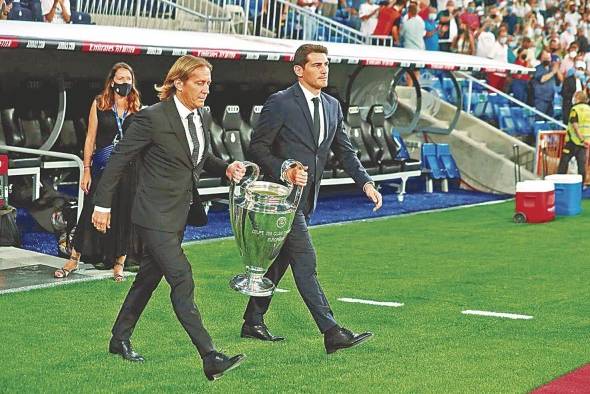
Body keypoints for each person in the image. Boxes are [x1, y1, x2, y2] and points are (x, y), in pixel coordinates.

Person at [91, 55, 247, 381]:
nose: (206, 89)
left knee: (147, 279)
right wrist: (101, 205)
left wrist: (226, 168)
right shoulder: (151, 118)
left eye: (208, 83)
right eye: (199, 83)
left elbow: (199, 156)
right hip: (151, 216)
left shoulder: (202, 115)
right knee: (182, 277)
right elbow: (119, 160)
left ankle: (119, 339)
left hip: (178, 216)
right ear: (178, 82)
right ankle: (210, 356)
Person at [240, 44, 383, 354]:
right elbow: (257, 148)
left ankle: (252, 321)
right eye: (317, 64)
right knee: (306, 262)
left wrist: (366, 182)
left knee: (281, 262)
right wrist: (284, 168)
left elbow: (345, 150)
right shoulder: (280, 103)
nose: (324, 69)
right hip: (281, 200)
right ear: (299, 70)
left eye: (326, 64)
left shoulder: (332, 105)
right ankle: (332, 332)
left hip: (307, 201)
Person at [54, 62, 141, 282]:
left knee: (123, 214)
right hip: (103, 167)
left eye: (128, 79)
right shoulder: (100, 103)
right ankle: (74, 258)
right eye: (120, 79)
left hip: (129, 170)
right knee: (90, 212)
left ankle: (119, 263)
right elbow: (90, 139)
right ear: (112, 81)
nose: (125, 83)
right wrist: (86, 170)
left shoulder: (137, 106)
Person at [558, 90, 589, 182]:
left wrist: (581, 139)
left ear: (578, 98)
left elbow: (575, 126)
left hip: (573, 141)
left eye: (575, 97)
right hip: (584, 144)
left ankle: (559, 182)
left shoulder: (575, 109)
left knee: (564, 162)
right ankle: (581, 185)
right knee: (581, 166)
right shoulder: (588, 109)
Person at [532, 50, 562, 119]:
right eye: (544, 57)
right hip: (540, 99)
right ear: (541, 58)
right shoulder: (537, 68)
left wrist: (557, 69)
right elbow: (542, 79)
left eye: (548, 57)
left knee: (549, 121)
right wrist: (553, 72)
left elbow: (561, 80)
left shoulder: (551, 68)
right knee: (539, 120)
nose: (546, 59)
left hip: (551, 99)